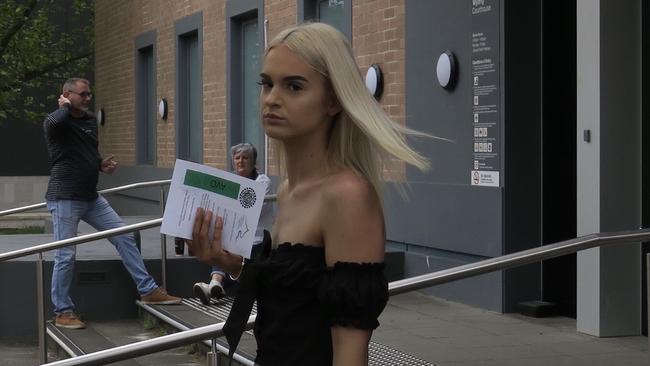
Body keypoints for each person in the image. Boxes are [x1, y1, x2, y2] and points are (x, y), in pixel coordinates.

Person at [186, 23, 429, 365]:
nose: (272, 99)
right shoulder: (287, 190)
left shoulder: (347, 195)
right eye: (267, 83)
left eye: (294, 86)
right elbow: (294, 294)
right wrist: (230, 263)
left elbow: (350, 348)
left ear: (332, 101)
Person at [43, 77, 181, 330]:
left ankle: (147, 289)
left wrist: (100, 164)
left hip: (91, 197)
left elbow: (84, 151)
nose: (88, 99)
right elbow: (56, 125)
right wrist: (63, 107)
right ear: (66, 95)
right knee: (65, 255)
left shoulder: (87, 121)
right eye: (82, 94)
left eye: (88, 94)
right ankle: (63, 311)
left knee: (125, 235)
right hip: (65, 196)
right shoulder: (56, 120)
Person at [192, 142, 275, 305]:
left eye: (245, 158)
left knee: (230, 251)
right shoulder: (231, 181)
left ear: (253, 162)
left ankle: (214, 285)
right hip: (236, 238)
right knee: (222, 246)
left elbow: (254, 209)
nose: (241, 161)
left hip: (257, 239)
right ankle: (215, 285)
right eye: (237, 158)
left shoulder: (263, 182)